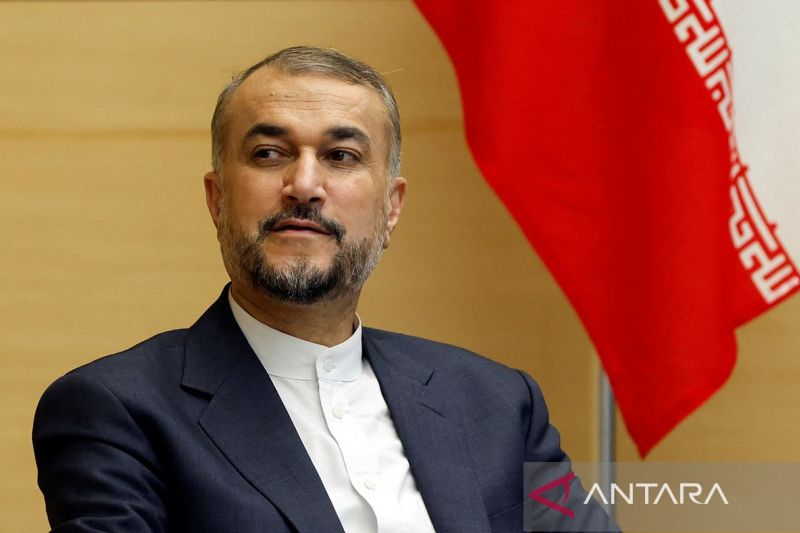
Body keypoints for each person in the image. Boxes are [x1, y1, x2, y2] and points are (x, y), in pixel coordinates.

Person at [33, 46, 618, 532]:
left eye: (341, 156)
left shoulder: (497, 403)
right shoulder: (117, 411)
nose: (304, 184)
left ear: (391, 209)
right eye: (269, 154)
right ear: (217, 200)